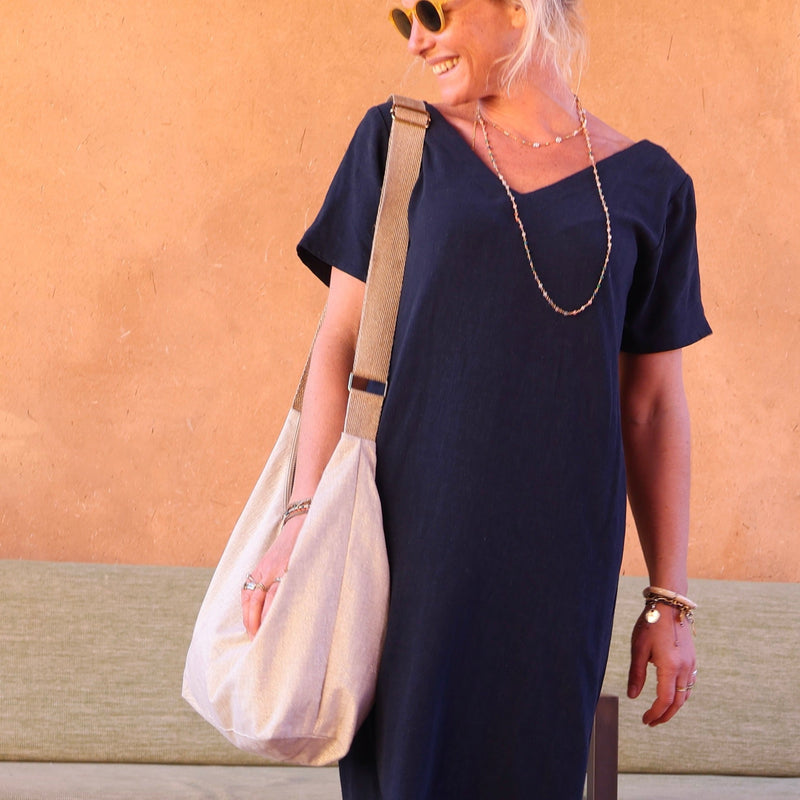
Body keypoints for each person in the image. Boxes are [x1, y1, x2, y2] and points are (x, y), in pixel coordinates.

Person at [242, 0, 711, 797]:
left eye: (434, 11)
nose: (418, 40)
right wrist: (301, 521)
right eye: (404, 21)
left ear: (518, 8)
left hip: (559, 569)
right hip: (404, 548)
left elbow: (653, 407)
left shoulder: (651, 187)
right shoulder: (399, 143)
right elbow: (338, 346)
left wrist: (669, 599)